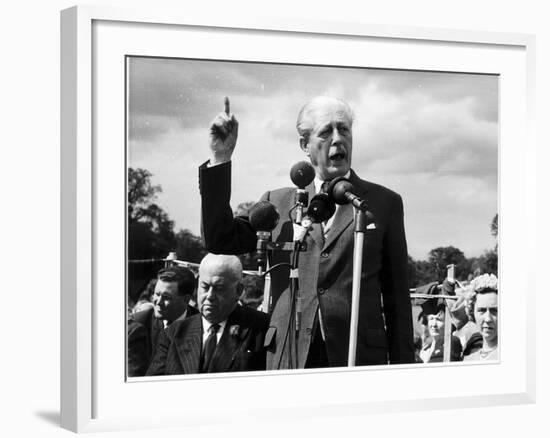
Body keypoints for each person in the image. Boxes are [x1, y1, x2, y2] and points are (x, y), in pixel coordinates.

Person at [198, 96, 415, 369]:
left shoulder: (383, 203)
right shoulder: (278, 203)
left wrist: (403, 369)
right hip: (289, 355)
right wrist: (220, 158)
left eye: (344, 129)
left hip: (357, 357)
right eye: (326, 132)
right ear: (305, 145)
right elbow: (218, 239)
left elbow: (397, 300)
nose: (338, 139)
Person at [146, 254, 270, 375]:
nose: (210, 296)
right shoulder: (174, 333)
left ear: (238, 291)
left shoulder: (260, 329)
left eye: (219, 288)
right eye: (205, 287)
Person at [128, 265, 198, 376]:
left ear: (186, 300)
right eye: (157, 294)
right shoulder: (140, 323)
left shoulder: (201, 324)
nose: (158, 302)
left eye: (166, 297)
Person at [463, 273, 498, 361]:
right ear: (472, 313)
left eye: (494, 311)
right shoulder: (468, 359)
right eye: (481, 310)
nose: (488, 318)